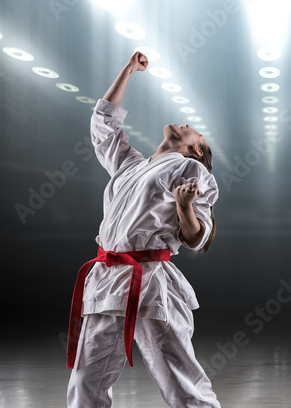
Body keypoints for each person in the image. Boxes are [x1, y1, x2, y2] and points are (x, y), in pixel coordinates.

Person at [66, 51, 221, 407]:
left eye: (194, 130)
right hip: (106, 280)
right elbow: (103, 125)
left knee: (180, 382)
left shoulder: (191, 171)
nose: (186, 123)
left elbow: (196, 239)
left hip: (149, 284)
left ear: (197, 148)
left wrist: (184, 207)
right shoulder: (130, 166)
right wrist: (128, 71)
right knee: (85, 383)